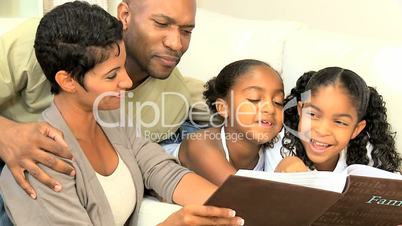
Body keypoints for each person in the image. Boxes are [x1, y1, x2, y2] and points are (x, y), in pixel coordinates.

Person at [0, 2, 244, 226]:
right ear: (67, 80)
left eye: (186, 31)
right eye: (111, 75)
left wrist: (243, 211)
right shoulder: (44, 162)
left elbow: (162, 170)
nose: (127, 82)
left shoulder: (112, 118)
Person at [178, 59, 284, 186]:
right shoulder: (199, 144)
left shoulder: (278, 146)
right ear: (223, 108)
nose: (270, 109)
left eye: (278, 102)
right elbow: (240, 192)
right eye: (254, 98)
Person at [275, 67, 402, 173]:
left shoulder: (368, 154)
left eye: (339, 122)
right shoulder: (281, 145)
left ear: (356, 130)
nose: (322, 131)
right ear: (300, 111)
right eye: (312, 114)